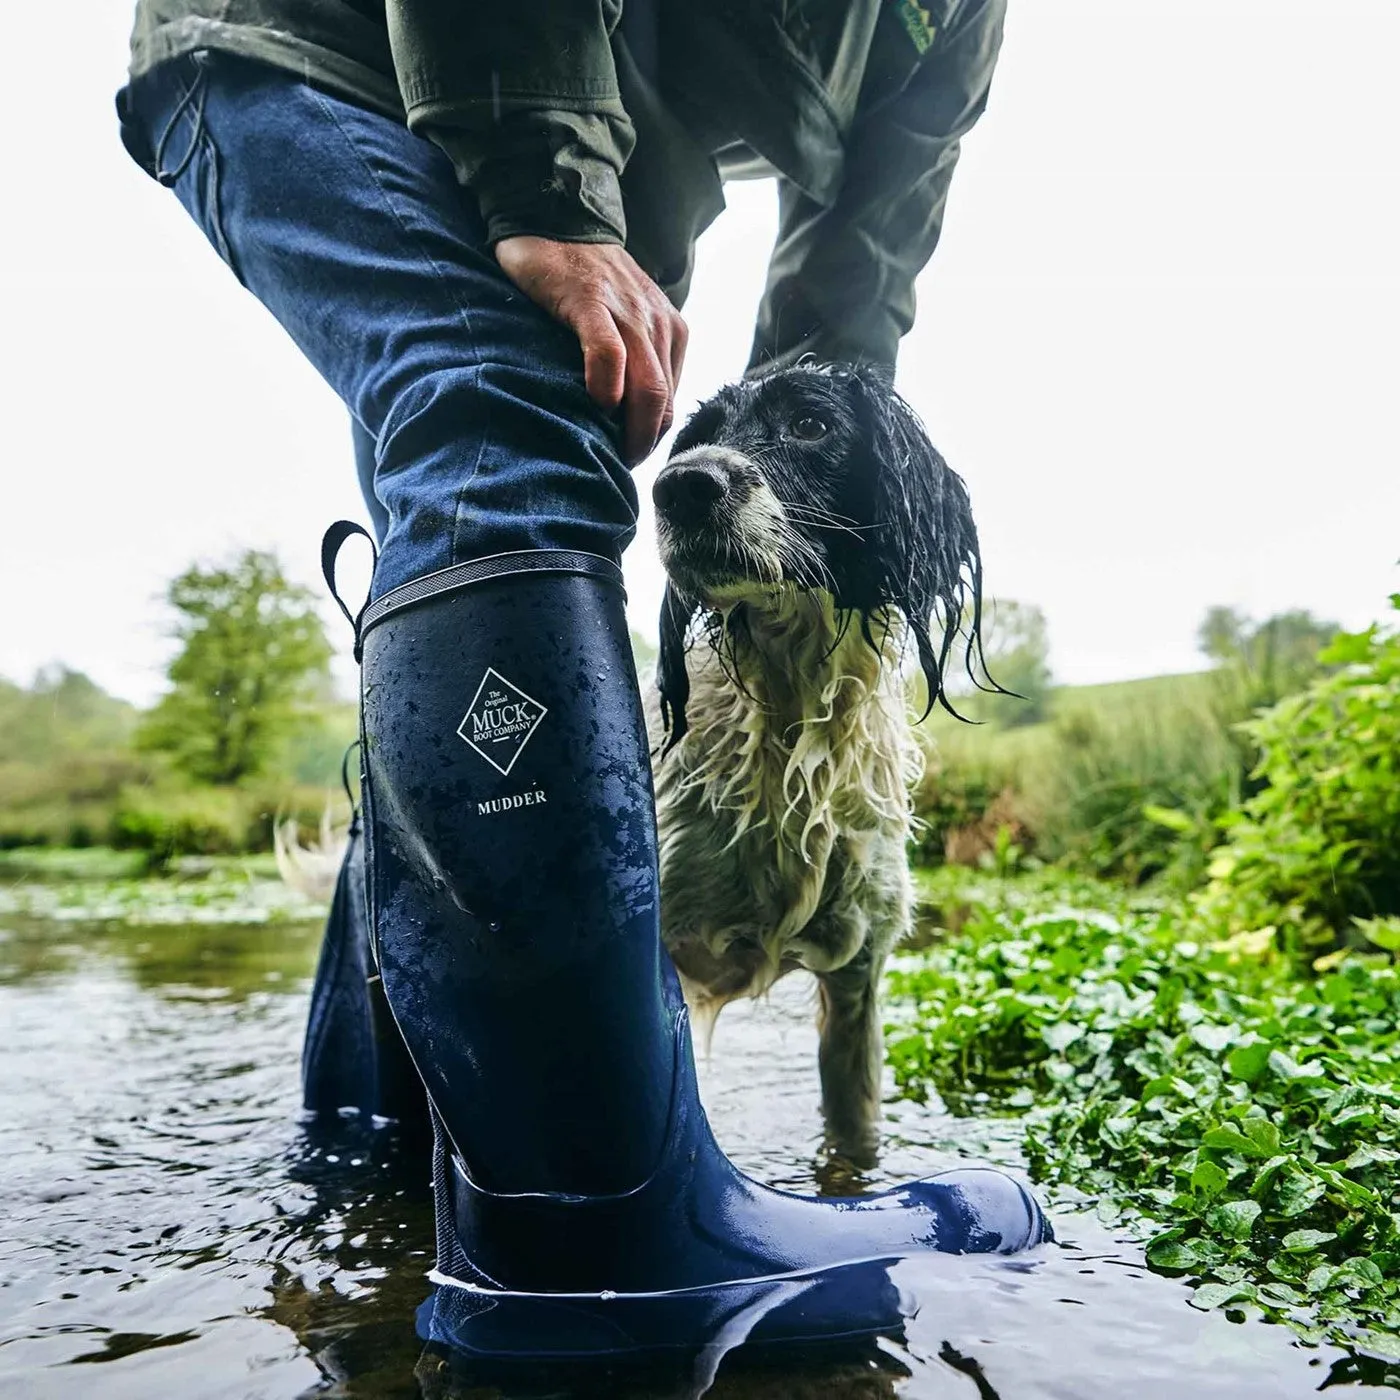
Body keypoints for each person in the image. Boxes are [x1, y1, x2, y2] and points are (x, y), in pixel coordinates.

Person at [116, 0, 1048, 1361]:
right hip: (327, 49)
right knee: (504, 430)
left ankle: (371, 1144)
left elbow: (857, 275)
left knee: (495, 489)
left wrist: (805, 474)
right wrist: (543, 182)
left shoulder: (956, 16)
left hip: (559, 146)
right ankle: (599, 1229)